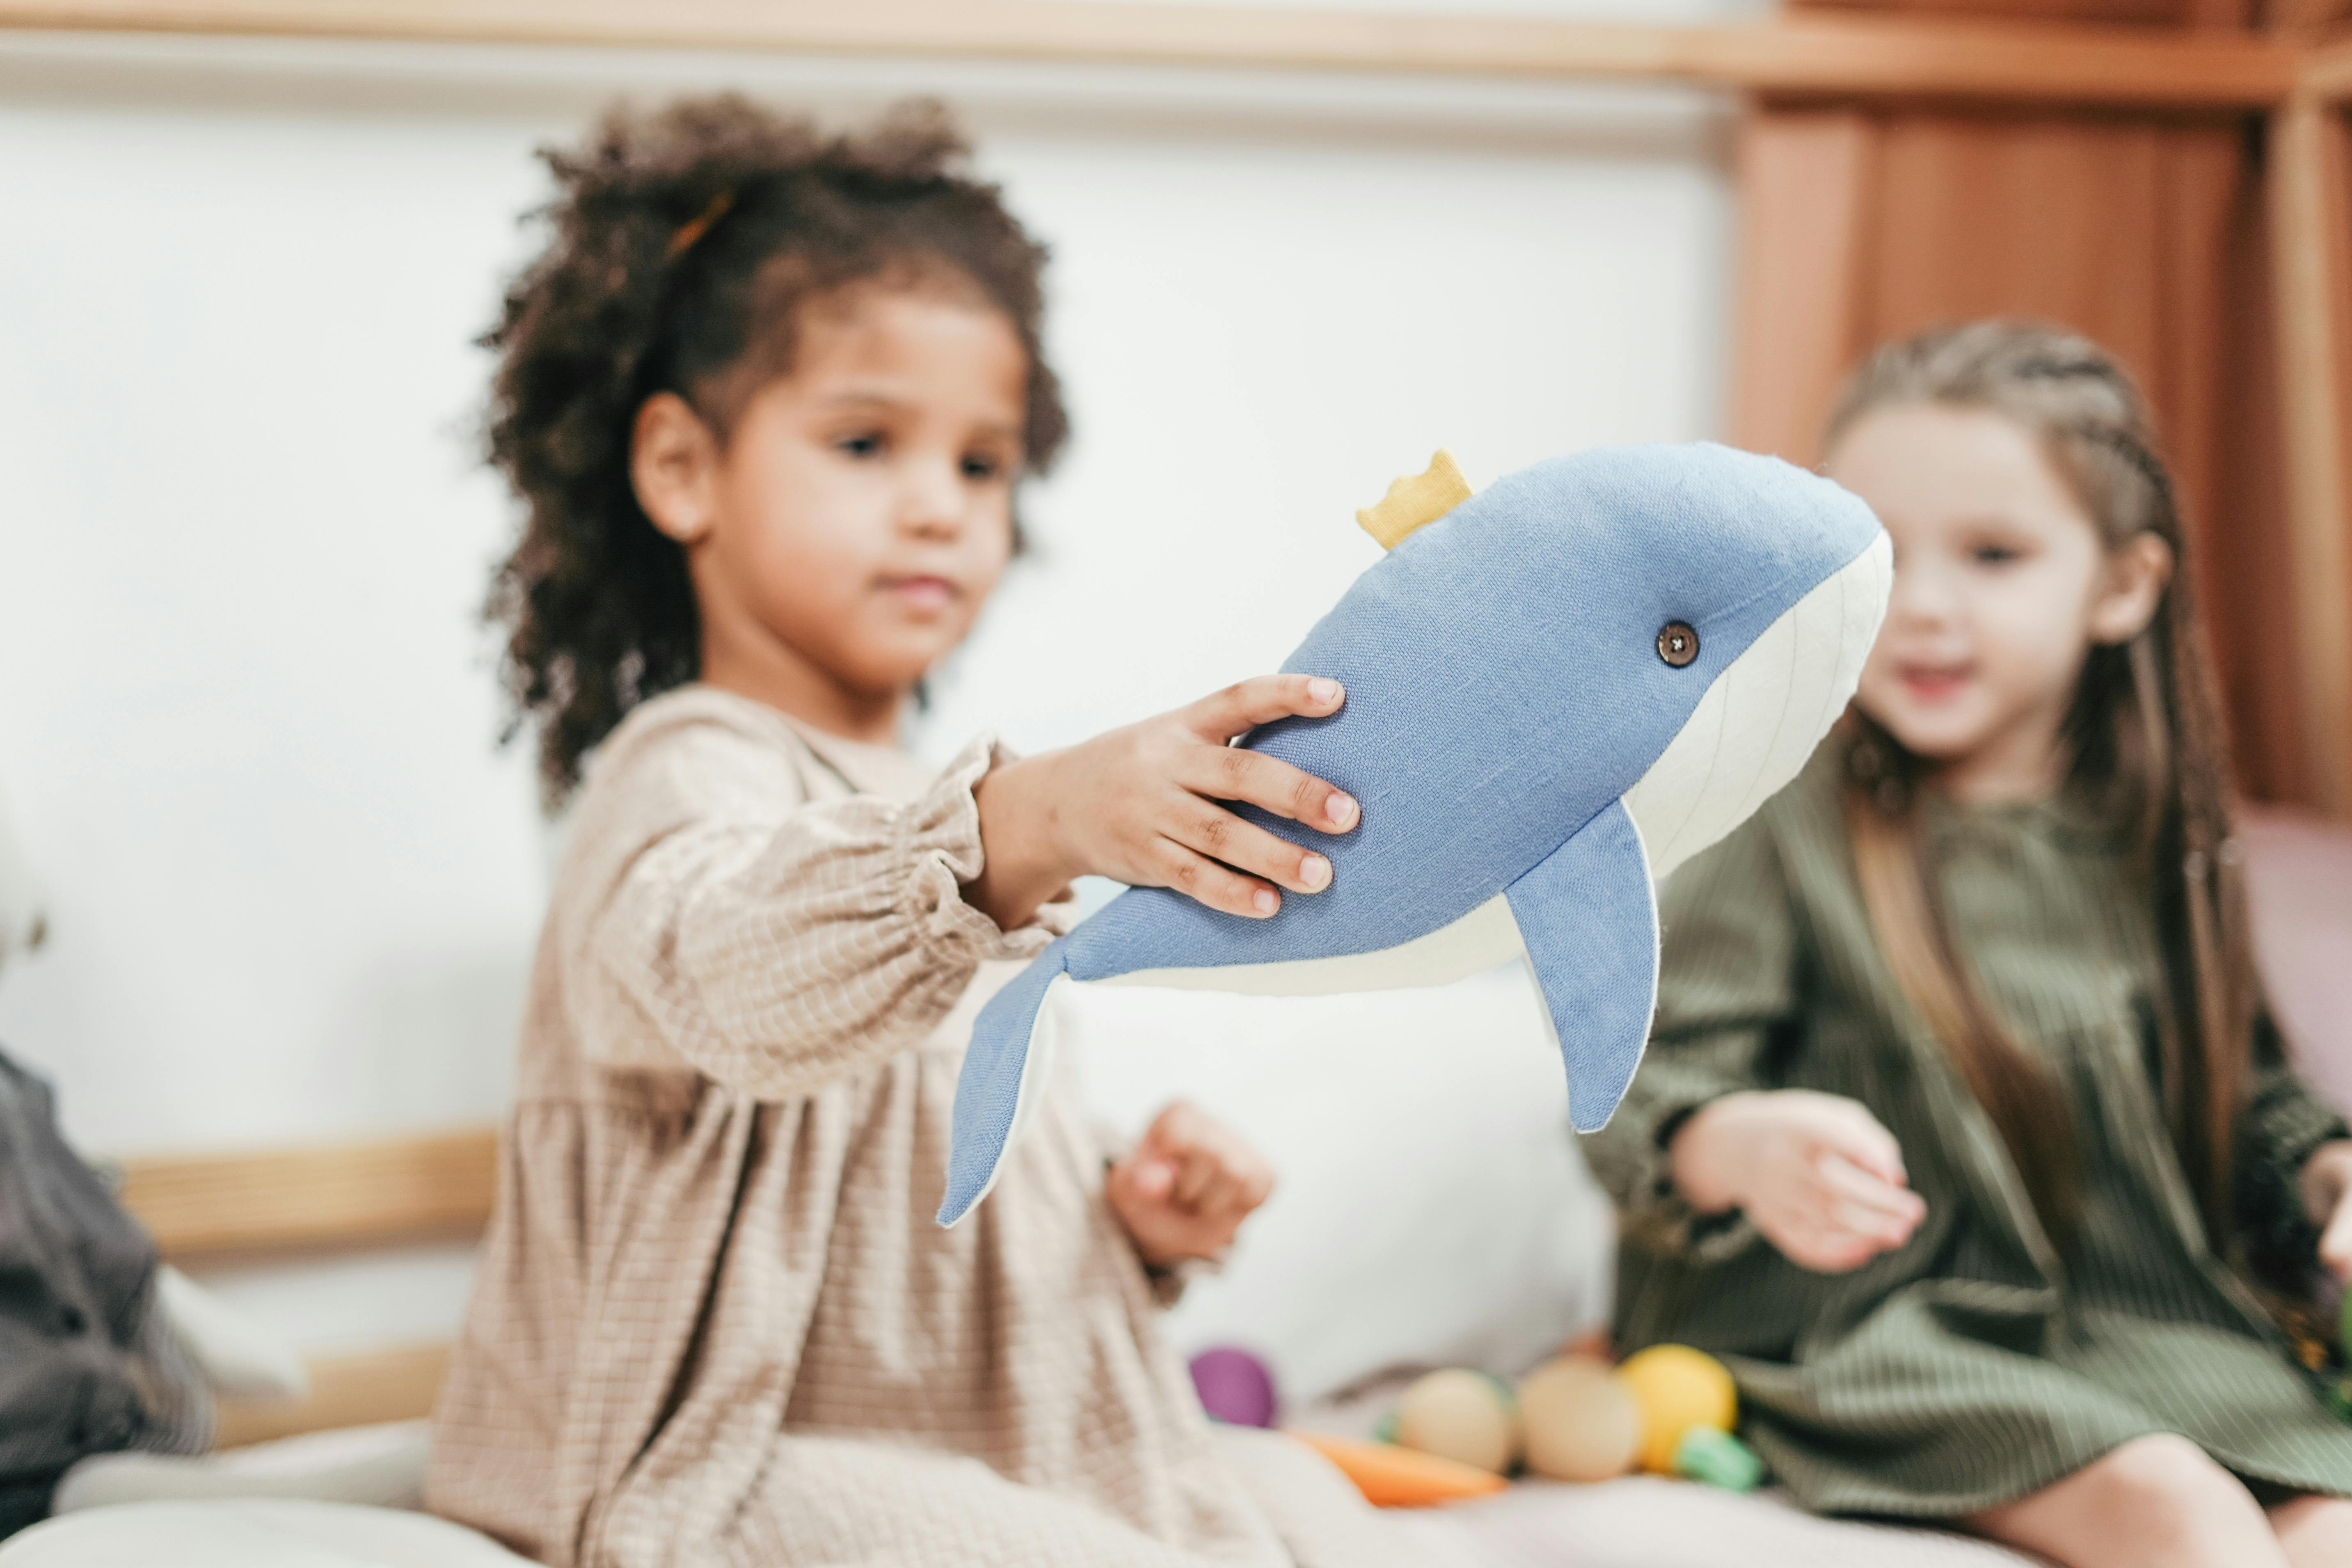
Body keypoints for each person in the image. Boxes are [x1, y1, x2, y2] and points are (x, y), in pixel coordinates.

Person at [425, 96, 1413, 1568]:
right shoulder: (685, 771)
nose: (939, 510)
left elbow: (937, 1200)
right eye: (867, 442)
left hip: (985, 1441)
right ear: (682, 469)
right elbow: (733, 977)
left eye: (978, 464)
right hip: (722, 1461)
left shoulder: (943, 822)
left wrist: (1123, 1214)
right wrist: (1036, 818)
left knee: (1314, 1513)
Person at [1588, 320, 2352, 1567]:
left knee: (2332, 1529)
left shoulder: (2155, 839)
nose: (1921, 606)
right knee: (2178, 1513)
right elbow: (1638, 1088)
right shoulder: (1787, 816)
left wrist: (2330, 1178)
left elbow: (2245, 1099)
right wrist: (1739, 1146)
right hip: (1862, 1328)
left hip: (2140, 1323)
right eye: (1876, 553)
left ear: (2120, 589)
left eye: (1992, 556)